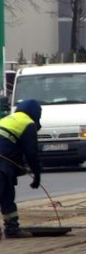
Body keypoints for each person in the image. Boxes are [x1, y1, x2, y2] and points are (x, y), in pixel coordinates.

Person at [0, 99, 42, 239]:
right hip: (2, 162)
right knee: (4, 192)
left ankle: (12, 229)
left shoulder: (7, 119)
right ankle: (12, 229)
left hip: (4, 162)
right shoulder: (27, 123)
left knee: (7, 194)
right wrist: (37, 176)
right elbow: (32, 153)